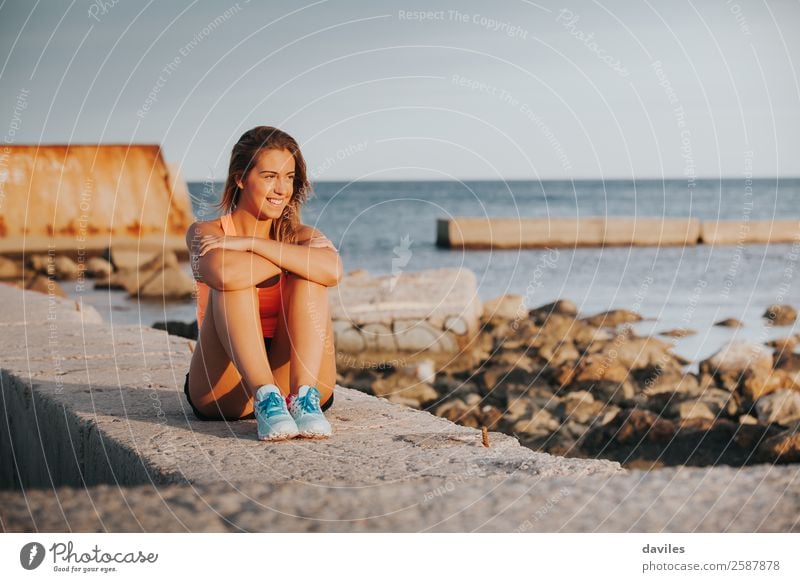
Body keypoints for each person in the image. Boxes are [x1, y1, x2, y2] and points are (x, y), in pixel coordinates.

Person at [184, 126, 342, 441]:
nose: (282, 189)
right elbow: (224, 274)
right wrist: (293, 259)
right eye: (270, 176)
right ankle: (265, 397)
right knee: (239, 283)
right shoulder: (205, 231)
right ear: (241, 178)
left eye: (289, 177)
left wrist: (251, 245)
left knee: (309, 278)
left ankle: (303, 400)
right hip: (225, 384)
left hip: (299, 376)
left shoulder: (301, 234)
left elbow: (333, 271)